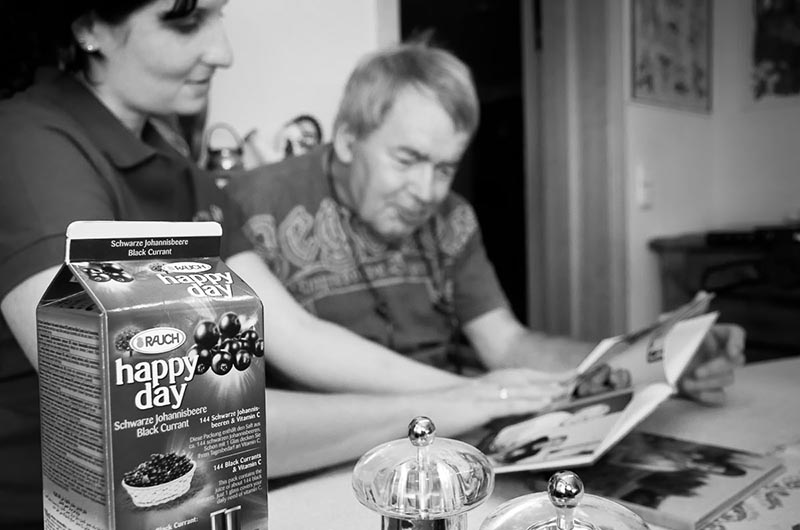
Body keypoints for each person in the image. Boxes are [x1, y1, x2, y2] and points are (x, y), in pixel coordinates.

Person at [0, 3, 563, 527]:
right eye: (185, 21)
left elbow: (295, 332)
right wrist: (437, 409)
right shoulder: (29, 146)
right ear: (89, 27)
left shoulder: (177, 168)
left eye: (220, 15)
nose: (224, 52)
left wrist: (484, 394)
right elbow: (168, 422)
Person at [228, 42, 746, 403]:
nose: (429, 193)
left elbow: (508, 346)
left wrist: (658, 359)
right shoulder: (252, 204)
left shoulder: (454, 218)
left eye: (446, 167)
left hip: (449, 426)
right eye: (407, 160)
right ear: (346, 140)